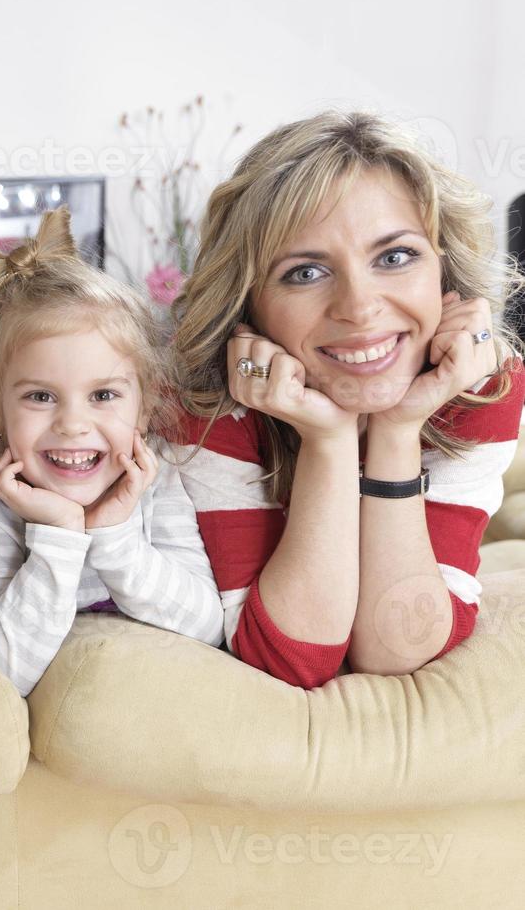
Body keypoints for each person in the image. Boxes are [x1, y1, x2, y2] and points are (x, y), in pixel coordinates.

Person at [170, 110, 525, 689]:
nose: (359, 308)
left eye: (394, 257)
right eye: (306, 272)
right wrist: (329, 440)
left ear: (444, 270)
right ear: (249, 307)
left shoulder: (481, 384)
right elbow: (290, 658)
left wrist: (398, 429)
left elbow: (397, 647)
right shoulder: (208, 402)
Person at [0, 207, 223, 696]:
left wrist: (114, 534)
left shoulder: (155, 476)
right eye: (40, 396)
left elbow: (206, 629)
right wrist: (60, 534)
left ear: (146, 403)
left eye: (103, 395)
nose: (72, 425)